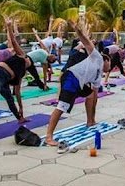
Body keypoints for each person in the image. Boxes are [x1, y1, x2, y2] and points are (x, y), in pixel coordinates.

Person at [45, 19, 111, 147]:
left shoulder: (98, 77)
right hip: (71, 78)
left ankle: (89, 121)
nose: (110, 67)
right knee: (62, 107)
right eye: (110, 63)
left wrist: (93, 117)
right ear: (106, 60)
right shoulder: (97, 57)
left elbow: (95, 96)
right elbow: (85, 41)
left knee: (90, 95)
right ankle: (49, 136)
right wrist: (77, 29)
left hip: (80, 83)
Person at [0, 18, 45, 132]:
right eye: (28, 60)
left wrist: (21, 108)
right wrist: (9, 26)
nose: (27, 62)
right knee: (3, 100)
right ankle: (19, 119)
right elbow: (13, 40)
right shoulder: (21, 55)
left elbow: (17, 92)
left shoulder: (21, 74)